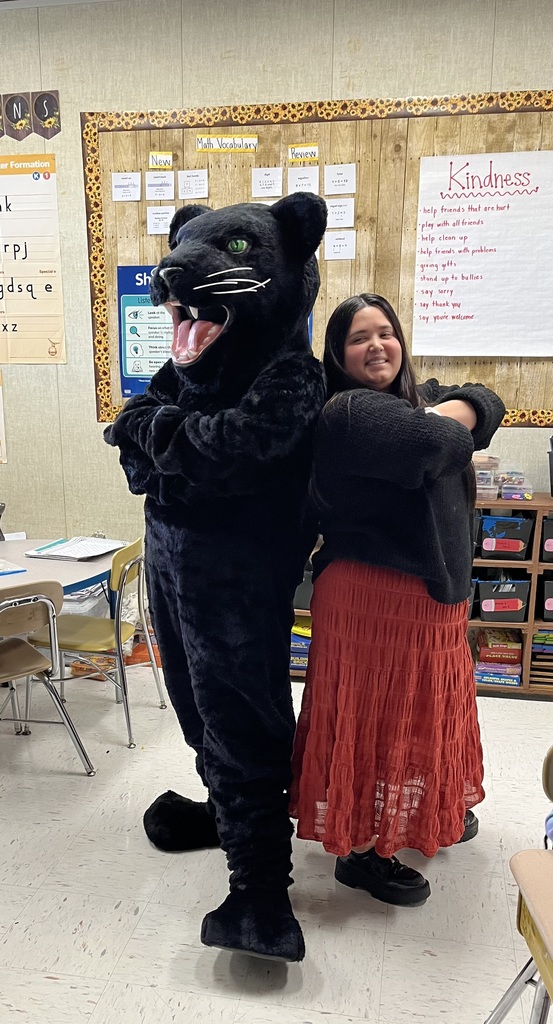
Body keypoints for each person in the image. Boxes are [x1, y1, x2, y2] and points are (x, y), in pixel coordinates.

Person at [290, 293, 505, 907]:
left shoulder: (413, 403)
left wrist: (450, 410)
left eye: (387, 332)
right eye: (360, 338)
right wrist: (448, 420)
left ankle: (417, 814)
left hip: (432, 597)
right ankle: (361, 851)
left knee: (423, 713)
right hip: (370, 597)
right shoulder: (348, 412)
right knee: (374, 719)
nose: (378, 345)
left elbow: (490, 400)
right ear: (337, 355)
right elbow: (431, 447)